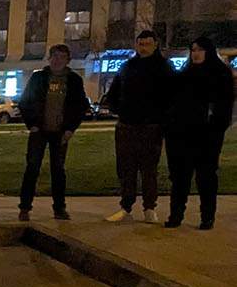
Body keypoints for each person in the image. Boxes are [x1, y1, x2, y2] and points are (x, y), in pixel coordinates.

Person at [101, 30, 175, 223]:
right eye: (140, 44)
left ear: (155, 44)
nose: (143, 48)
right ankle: (126, 206)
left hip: (151, 127)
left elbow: (171, 97)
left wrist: (161, 119)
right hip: (127, 125)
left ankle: (149, 207)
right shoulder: (128, 67)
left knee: (149, 169)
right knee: (126, 168)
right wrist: (119, 109)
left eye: (147, 44)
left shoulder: (164, 68)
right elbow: (113, 93)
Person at [164, 37, 233, 230]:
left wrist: (215, 128)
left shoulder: (220, 75)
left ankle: (207, 216)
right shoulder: (185, 75)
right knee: (180, 177)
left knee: (206, 177)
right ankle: (176, 214)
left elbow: (224, 109)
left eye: (200, 50)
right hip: (183, 135)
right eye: (193, 49)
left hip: (207, 136)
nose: (196, 53)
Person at [17, 43, 90, 220]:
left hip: (60, 132)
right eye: (54, 56)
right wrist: (32, 124)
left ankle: (59, 208)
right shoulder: (39, 78)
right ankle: (25, 208)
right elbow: (25, 102)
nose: (57, 60)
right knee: (32, 167)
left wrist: (70, 129)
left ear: (67, 60)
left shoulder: (73, 81)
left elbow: (80, 106)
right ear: (49, 58)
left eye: (62, 57)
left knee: (58, 170)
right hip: (39, 131)